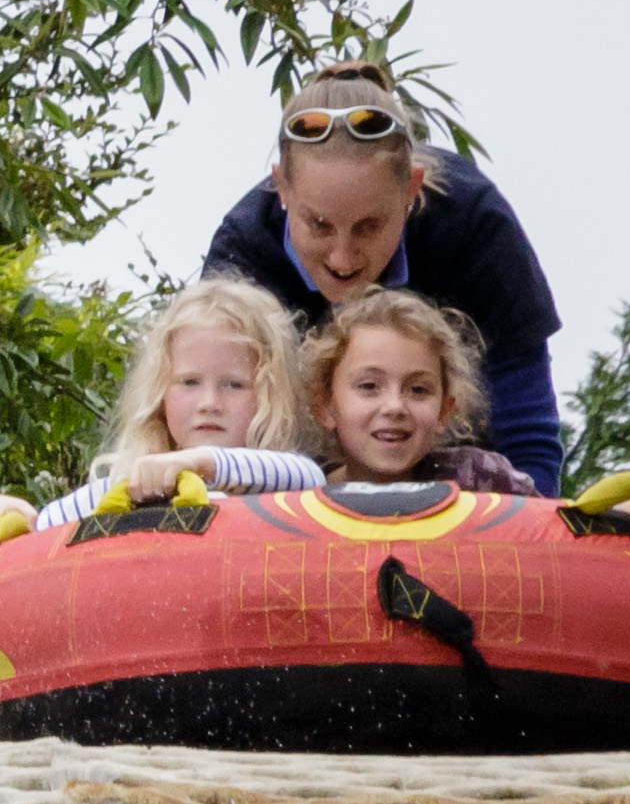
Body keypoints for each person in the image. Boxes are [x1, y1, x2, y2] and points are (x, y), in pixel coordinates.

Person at [196, 61, 562, 495]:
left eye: (369, 226)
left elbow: (527, 436)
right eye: (318, 225)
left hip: (461, 497)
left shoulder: (473, 226)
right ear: (281, 189)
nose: (342, 257)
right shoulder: (243, 260)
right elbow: (208, 427)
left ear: (411, 189)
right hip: (294, 493)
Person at [0, 279, 324, 569]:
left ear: (270, 395)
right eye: (189, 382)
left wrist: (198, 463)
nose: (210, 403)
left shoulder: (280, 499)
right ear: (161, 393)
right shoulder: (118, 494)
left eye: (234, 385)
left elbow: (308, 477)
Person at [306, 287, 528, 493]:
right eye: (369, 386)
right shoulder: (300, 491)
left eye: (418, 390)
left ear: (444, 411)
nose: (395, 406)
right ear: (324, 405)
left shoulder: (479, 480)